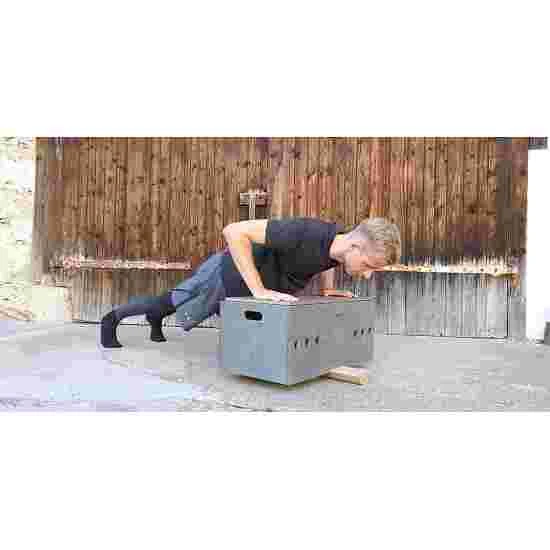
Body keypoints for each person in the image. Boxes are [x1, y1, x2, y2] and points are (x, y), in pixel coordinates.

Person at [100, 217, 401, 348]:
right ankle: (111, 319)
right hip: (224, 274)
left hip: (243, 285)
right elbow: (234, 231)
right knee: (168, 301)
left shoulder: (338, 245)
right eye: (369, 266)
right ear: (355, 247)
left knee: (177, 306)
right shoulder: (303, 232)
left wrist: (326, 289)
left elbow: (326, 260)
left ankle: (155, 320)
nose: (367, 275)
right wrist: (259, 290)